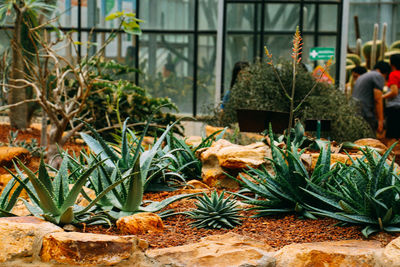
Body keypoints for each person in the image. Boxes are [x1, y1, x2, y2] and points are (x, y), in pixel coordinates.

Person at [352, 61, 391, 133]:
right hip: (364, 111)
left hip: (355, 109)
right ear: (385, 73)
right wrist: (380, 121)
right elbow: (378, 99)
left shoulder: (365, 75)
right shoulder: (378, 76)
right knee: (369, 138)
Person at [383, 54, 400, 138]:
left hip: (395, 107)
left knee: (391, 136)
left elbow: (394, 92)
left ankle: (390, 151)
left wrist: (382, 97)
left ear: (392, 64)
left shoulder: (394, 74)